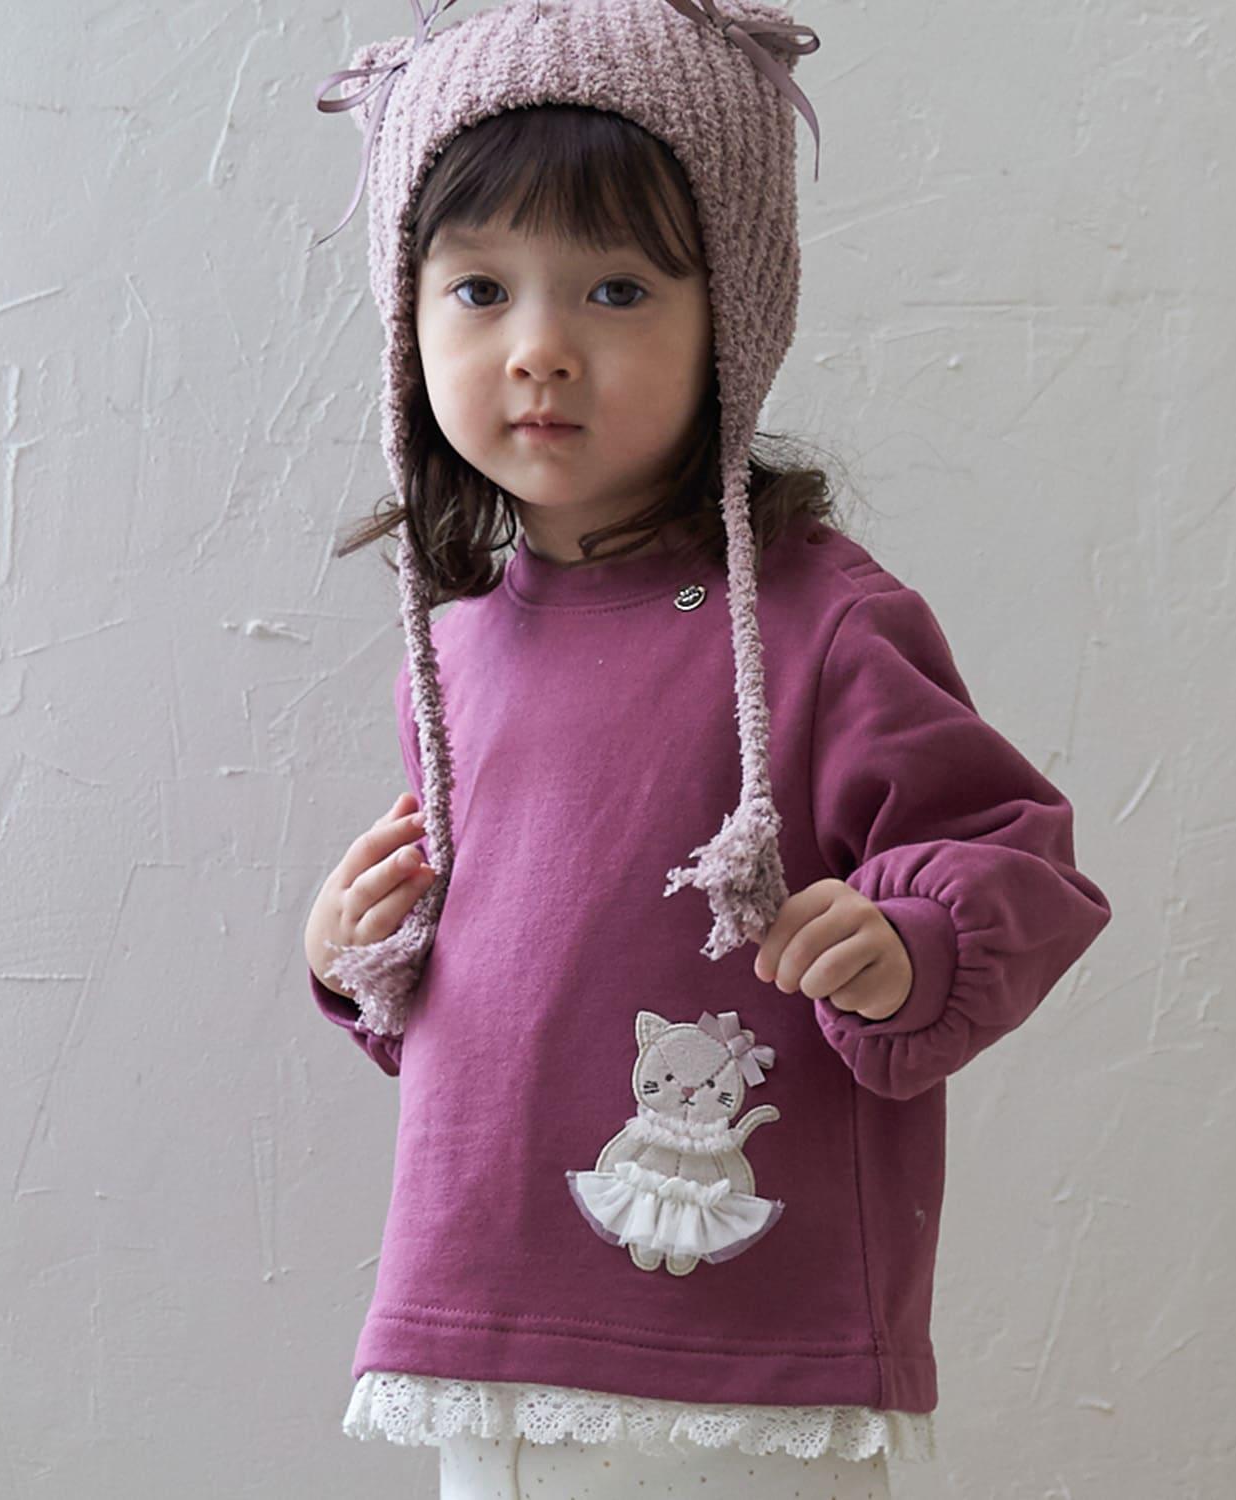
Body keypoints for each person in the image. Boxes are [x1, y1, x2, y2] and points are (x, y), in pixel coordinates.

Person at [300, 0, 1113, 1495]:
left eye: (615, 288)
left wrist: (911, 942)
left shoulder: (822, 625)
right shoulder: (455, 646)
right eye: (479, 289)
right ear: (407, 320)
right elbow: (504, 990)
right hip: (486, 1307)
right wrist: (363, 956)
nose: (539, 350)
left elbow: (1021, 859)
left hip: (743, 1333)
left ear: (730, 313)